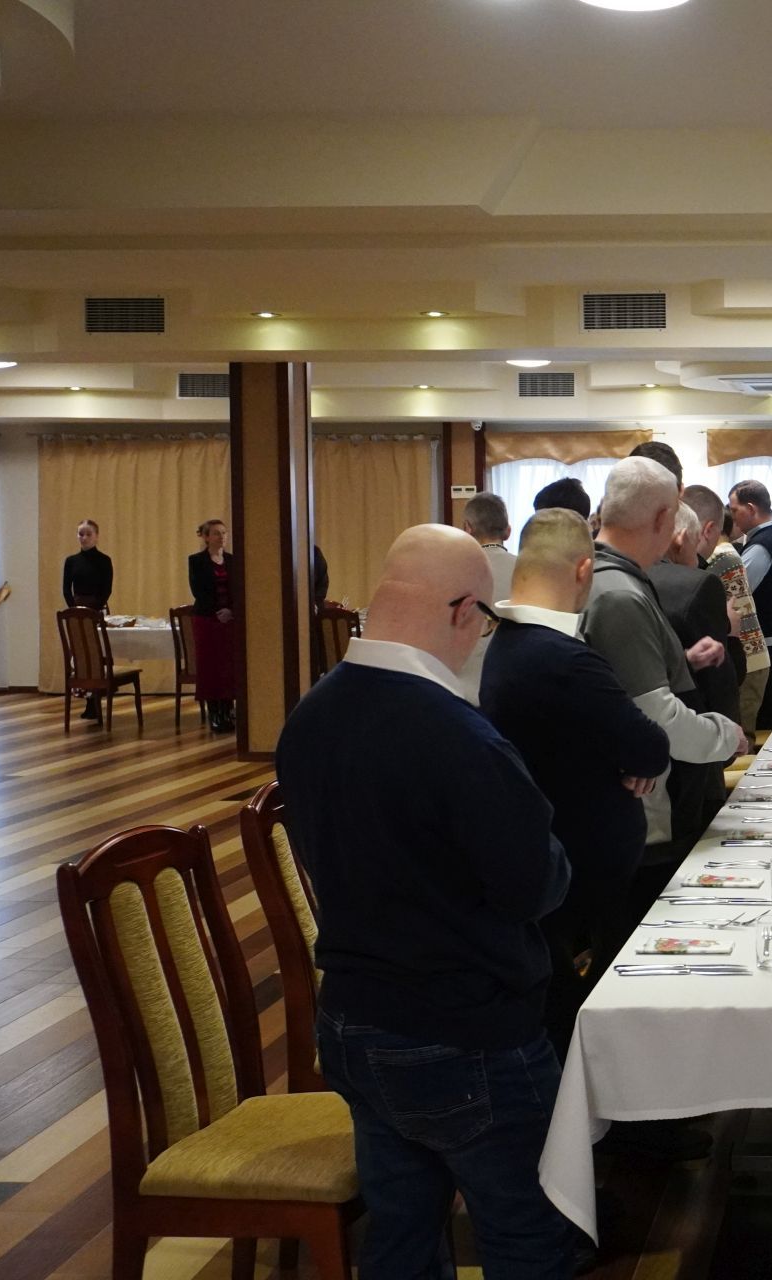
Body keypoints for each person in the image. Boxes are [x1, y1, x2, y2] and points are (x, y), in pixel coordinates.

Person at [276, 524, 577, 1279]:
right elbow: (534, 886)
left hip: (354, 1019)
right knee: (528, 1235)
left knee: (402, 1237)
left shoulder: (310, 716)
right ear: (464, 610)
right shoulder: (458, 736)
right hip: (466, 1029)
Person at [479, 510, 670, 1059]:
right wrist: (628, 757)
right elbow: (650, 747)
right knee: (596, 1007)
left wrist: (622, 753)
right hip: (581, 872)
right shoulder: (561, 657)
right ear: (584, 570)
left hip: (557, 852)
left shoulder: (507, 643)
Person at [585, 458, 745, 916]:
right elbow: (657, 716)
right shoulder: (620, 593)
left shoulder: (599, 575)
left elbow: (611, 678)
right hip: (647, 808)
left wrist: (682, 661)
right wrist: (725, 735)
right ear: (661, 518)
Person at [648, 503, 740, 853]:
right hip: (694, 738)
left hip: (633, 746)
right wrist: (730, 737)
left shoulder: (613, 579)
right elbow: (720, 673)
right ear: (681, 538)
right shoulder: (698, 584)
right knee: (698, 844)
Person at [684, 484, 769, 735]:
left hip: (747, 658)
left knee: (740, 735)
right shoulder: (728, 552)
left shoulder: (719, 557)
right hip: (750, 656)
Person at [727, 480, 772, 729]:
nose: (731, 517)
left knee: (754, 724)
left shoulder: (762, 547)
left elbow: (737, 595)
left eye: (734, 510)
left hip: (763, 645)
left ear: (751, 509)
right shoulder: (771, 538)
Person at [457, 492, 518, 699]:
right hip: (511, 690)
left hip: (461, 691)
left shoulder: (452, 569)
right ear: (508, 531)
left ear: (467, 528)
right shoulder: (526, 571)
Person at [186, 519, 237, 733]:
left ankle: (228, 709)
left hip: (230, 621)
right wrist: (218, 611)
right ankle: (214, 712)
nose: (221, 537)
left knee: (228, 666)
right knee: (210, 666)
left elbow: (239, 589)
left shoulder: (233, 561)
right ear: (206, 537)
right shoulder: (196, 561)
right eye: (216, 533)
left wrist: (231, 611)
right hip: (207, 619)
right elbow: (198, 590)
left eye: (224, 533)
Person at [62, 519, 113, 720]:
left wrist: (94, 610)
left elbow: (107, 589)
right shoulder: (71, 561)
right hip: (77, 613)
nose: (83, 538)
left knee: (98, 655)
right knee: (82, 656)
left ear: (96, 536)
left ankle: (97, 700)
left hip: (97, 611)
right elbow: (66, 589)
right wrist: (75, 610)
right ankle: (87, 700)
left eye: (88, 534)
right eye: (80, 534)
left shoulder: (104, 560)